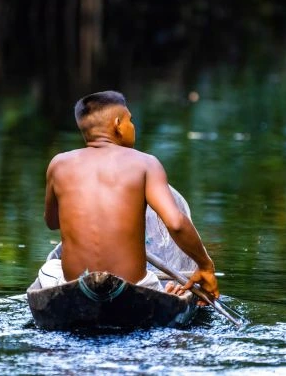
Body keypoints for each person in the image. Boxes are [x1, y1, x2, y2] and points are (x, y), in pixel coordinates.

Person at [40, 90, 219, 300]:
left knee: (51, 267)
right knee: (156, 286)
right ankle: (165, 293)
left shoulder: (58, 164)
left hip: (74, 286)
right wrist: (206, 266)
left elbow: (52, 222)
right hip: (135, 287)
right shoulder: (145, 163)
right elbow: (176, 223)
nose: (133, 127)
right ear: (117, 124)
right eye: (130, 121)